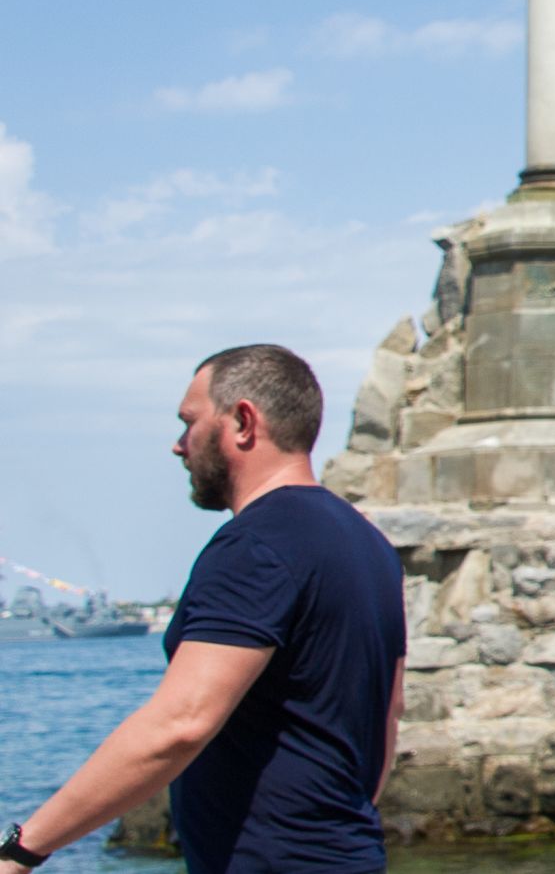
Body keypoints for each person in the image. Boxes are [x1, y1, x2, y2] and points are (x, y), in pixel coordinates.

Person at [1, 345, 406, 874]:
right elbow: (388, 717)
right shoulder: (367, 543)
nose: (178, 445)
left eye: (189, 422)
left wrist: (20, 850)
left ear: (242, 421)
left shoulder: (257, 543)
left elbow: (181, 722)